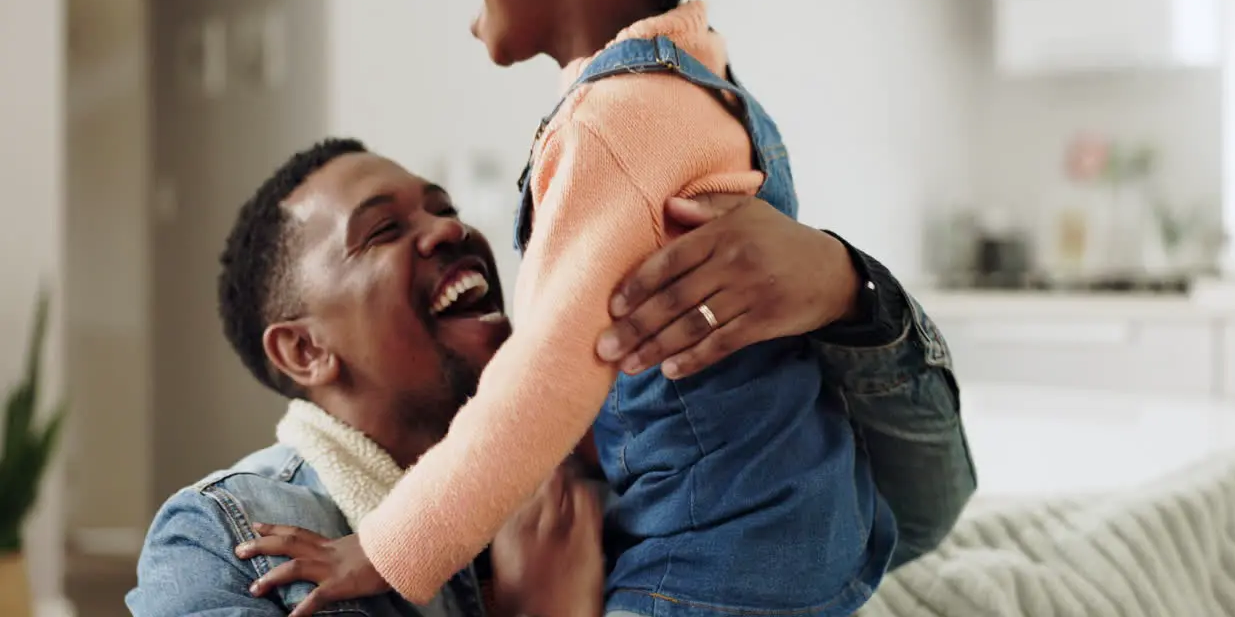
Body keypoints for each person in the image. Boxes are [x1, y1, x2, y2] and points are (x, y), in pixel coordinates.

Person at [241, 0, 966, 616]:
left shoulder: (610, 126)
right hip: (808, 519)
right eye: (381, 232)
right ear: (299, 348)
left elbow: (542, 384)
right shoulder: (701, 86)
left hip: (717, 550)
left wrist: (387, 550)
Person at [126, 139, 973, 616]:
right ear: (304, 352)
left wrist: (846, 290)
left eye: (442, 206)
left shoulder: (623, 438)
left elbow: (918, 514)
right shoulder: (225, 543)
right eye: (383, 231)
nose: (449, 229)